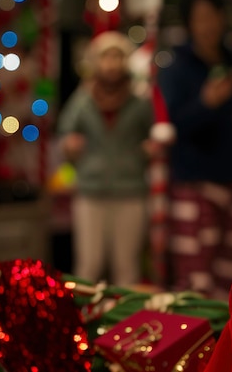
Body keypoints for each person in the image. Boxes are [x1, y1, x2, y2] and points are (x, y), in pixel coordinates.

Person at [157, 0, 232, 300]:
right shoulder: (177, 67)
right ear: (189, 23)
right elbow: (170, 126)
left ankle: (228, 341)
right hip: (195, 181)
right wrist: (206, 103)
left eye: (213, 16)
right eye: (200, 18)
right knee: (195, 277)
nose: (208, 25)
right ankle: (197, 343)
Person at [57, 31, 153, 287]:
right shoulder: (83, 100)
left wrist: (149, 150)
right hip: (91, 190)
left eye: (117, 56)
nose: (111, 63)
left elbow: (154, 133)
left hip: (130, 189)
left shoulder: (139, 101)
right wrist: (69, 146)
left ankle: (127, 323)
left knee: (127, 267)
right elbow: (64, 133)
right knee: (89, 265)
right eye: (105, 57)